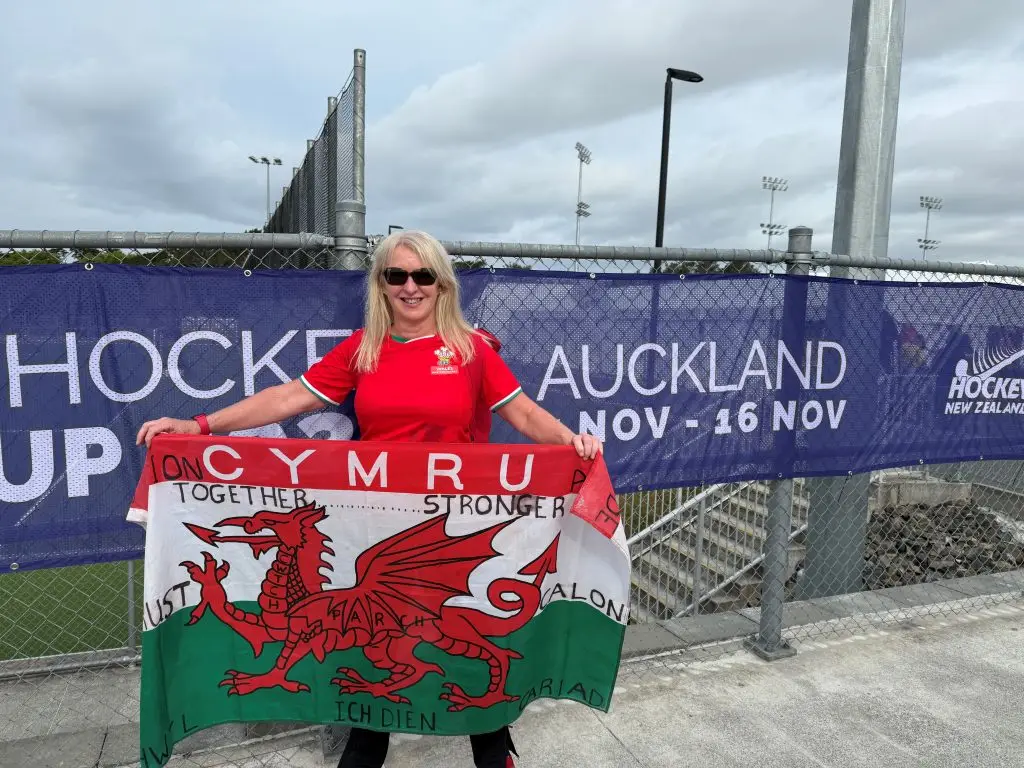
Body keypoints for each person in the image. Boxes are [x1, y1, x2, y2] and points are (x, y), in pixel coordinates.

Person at [136, 229, 602, 768]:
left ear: (442, 284)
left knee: (462, 660)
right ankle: (365, 747)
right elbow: (288, 397)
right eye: (396, 275)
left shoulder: (472, 351)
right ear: (380, 285)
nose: (410, 287)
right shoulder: (365, 349)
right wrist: (198, 425)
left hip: (444, 527)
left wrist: (572, 442)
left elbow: (522, 414)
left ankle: (496, 746)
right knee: (369, 668)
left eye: (422, 275)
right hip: (377, 529)